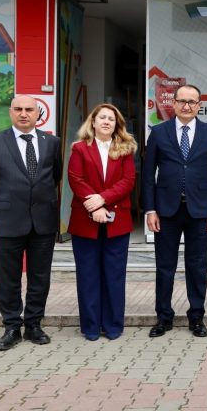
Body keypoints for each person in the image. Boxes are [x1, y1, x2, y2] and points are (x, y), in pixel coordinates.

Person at [0, 95, 62, 351]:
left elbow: (54, 176)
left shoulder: (52, 142)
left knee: (40, 277)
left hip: (43, 222)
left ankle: (34, 324)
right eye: (18, 109)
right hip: (6, 222)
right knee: (8, 278)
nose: (24, 114)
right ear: (11, 112)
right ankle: (12, 327)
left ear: (38, 113)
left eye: (29, 109)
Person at [142, 84, 207, 338]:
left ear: (199, 105)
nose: (187, 106)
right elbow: (147, 175)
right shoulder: (159, 132)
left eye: (192, 102)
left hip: (200, 212)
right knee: (164, 267)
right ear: (174, 103)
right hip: (165, 211)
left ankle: (196, 317)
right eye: (182, 101)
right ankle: (163, 318)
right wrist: (150, 209)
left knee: (197, 266)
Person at [67, 103, 137, 341]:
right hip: (85, 220)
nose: (107, 122)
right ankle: (90, 326)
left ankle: (113, 325)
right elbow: (76, 179)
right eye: (102, 118)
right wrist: (95, 206)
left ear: (117, 125)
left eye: (111, 119)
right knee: (88, 275)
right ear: (93, 122)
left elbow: (128, 181)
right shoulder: (79, 148)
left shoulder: (125, 149)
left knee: (114, 275)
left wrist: (103, 200)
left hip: (117, 221)